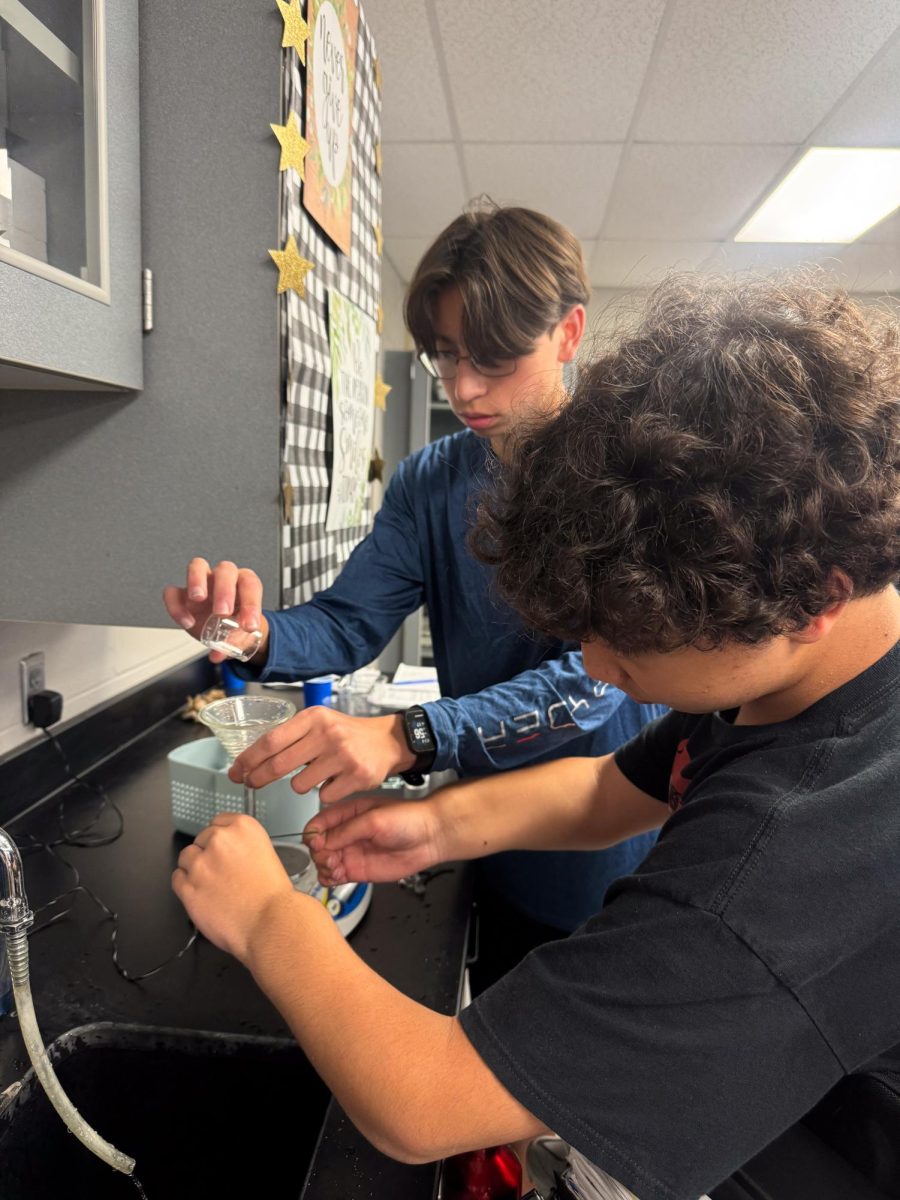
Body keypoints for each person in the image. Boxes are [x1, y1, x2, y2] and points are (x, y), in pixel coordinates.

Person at [173, 271, 900, 1200]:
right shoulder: (782, 689)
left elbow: (423, 1105)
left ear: (814, 601)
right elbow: (606, 790)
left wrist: (268, 917)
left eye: (629, 642)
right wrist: (428, 829)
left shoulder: (784, 860)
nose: (595, 667)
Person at [164, 203, 665, 987]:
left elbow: (597, 683)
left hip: (601, 858)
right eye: (445, 357)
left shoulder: (627, 477)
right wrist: (252, 635)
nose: (464, 389)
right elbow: (347, 622)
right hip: (476, 838)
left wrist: (410, 737)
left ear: (568, 334)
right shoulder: (432, 480)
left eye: (494, 360)